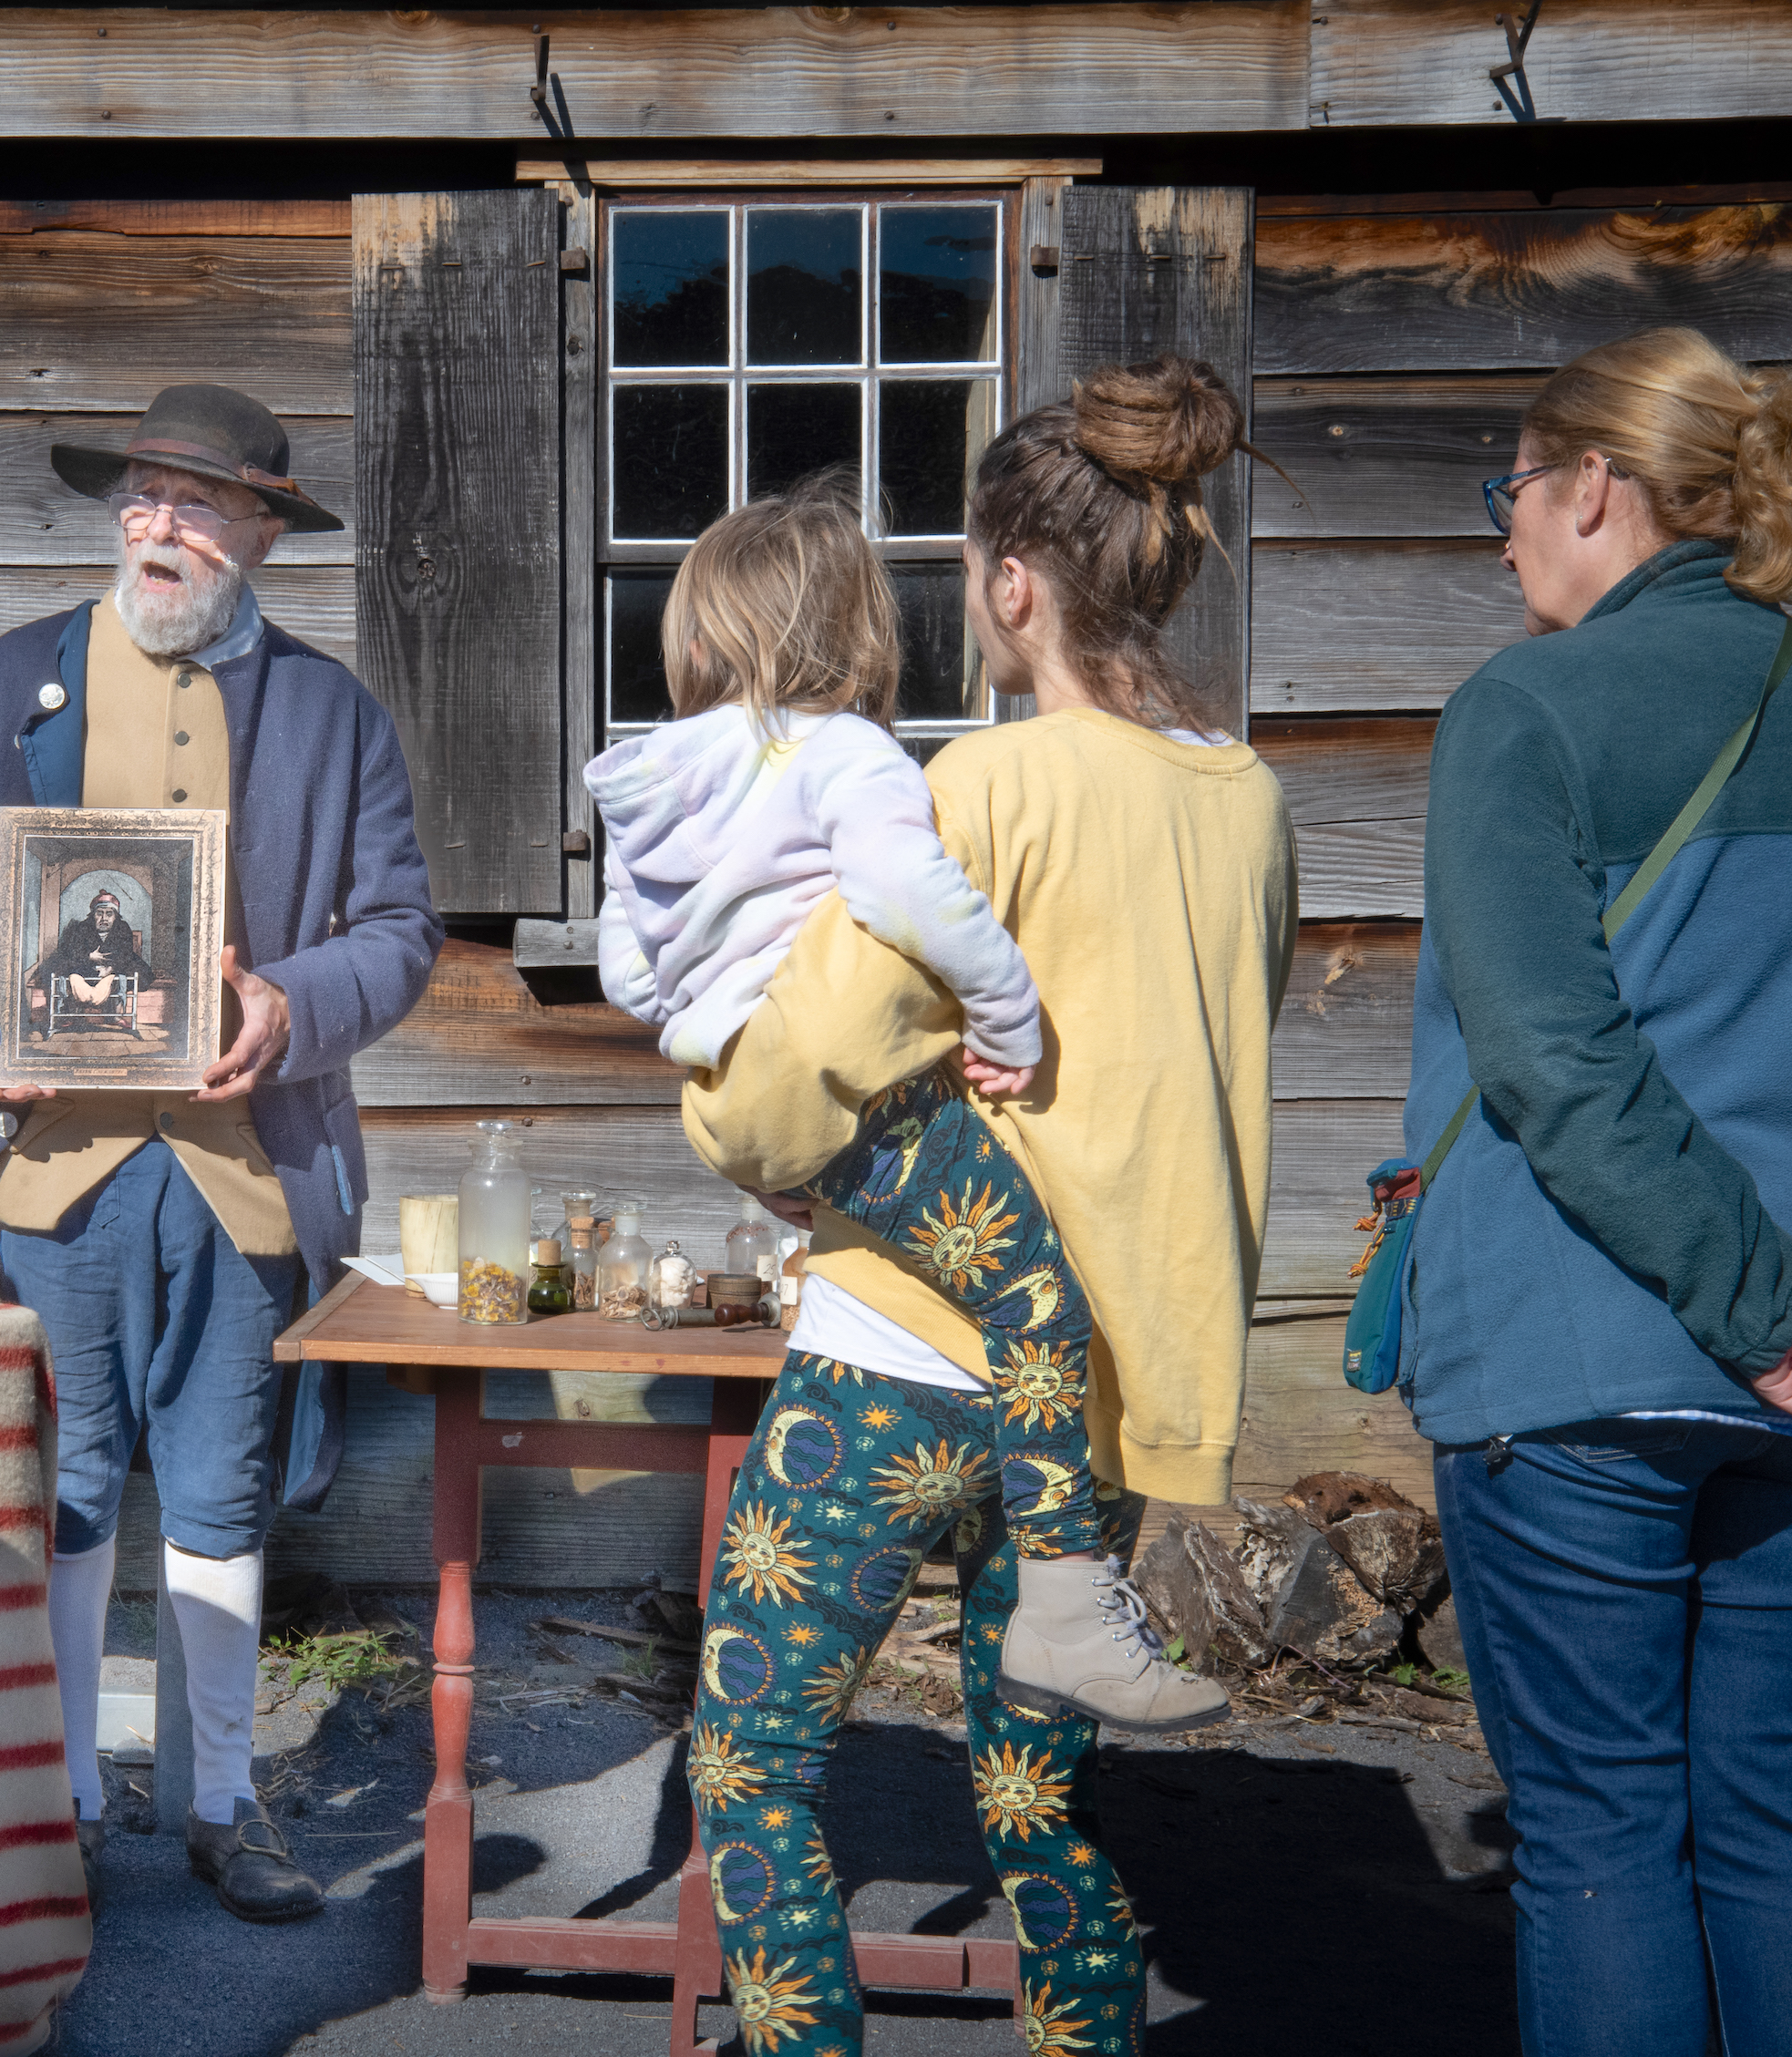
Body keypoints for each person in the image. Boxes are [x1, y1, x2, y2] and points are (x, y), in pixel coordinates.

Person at [677, 356, 1297, 2056]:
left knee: (754, 1765)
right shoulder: (1249, 806)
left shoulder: (980, 793)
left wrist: (718, 1112)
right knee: (1036, 1796)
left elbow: (805, 1062)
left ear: (1013, 582)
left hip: (899, 1352)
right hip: (1085, 1406)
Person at [0, 383, 439, 1921]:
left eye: (199, 502)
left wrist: (290, 1003)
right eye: (142, 493)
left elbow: (400, 936)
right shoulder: (11, 685)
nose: (160, 526)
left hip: (241, 1167)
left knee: (221, 1488)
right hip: (47, 1162)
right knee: (59, 1491)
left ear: (264, 527)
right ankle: (62, 1801)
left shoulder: (334, 714)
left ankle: (219, 1798)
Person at [588, 473, 1226, 1735]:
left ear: (705, 637)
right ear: (849, 632)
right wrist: (1005, 1014)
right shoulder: (848, 754)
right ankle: (1067, 1599)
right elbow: (908, 895)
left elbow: (622, 956)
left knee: (762, 1741)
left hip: (742, 1093)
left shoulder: (649, 779)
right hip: (862, 1106)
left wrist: (702, 1031)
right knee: (1036, 1290)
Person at [1402, 327, 1792, 2057]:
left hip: (1587, 1354)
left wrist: (1759, 1302)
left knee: (1596, 1839)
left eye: (1509, 489)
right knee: (1782, 1825)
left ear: (1595, 485)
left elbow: (1558, 1065)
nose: (1501, 533)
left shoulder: (1526, 708)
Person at [34, 887, 151, 1027]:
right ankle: (69, 1014)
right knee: (67, 973)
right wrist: (90, 956)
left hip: (113, 968)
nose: (104, 918)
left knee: (125, 975)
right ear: (93, 915)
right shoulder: (82, 927)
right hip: (85, 967)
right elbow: (73, 952)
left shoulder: (122, 928)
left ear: (115, 916)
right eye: (99, 913)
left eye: (109, 914)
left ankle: (115, 1016)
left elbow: (125, 954)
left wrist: (110, 969)